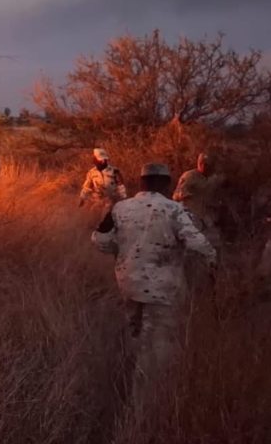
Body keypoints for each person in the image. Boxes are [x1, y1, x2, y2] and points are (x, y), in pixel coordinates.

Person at [92, 163, 216, 419]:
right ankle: (142, 415)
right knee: (158, 352)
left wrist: (124, 249)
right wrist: (210, 264)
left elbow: (100, 241)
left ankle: (121, 392)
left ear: (142, 182)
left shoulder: (119, 208)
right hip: (163, 293)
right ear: (165, 184)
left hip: (128, 286)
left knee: (135, 339)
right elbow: (200, 246)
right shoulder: (174, 209)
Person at [173, 152, 225, 249]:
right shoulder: (189, 176)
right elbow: (177, 195)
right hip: (192, 215)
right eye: (204, 164)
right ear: (199, 164)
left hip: (207, 216)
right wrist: (186, 195)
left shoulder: (214, 178)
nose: (207, 167)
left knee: (215, 243)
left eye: (210, 165)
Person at [79, 148, 127, 212]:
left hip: (112, 202)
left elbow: (121, 187)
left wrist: (123, 200)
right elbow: (87, 188)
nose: (94, 161)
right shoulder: (91, 172)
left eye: (96, 159)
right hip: (97, 203)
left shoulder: (115, 171)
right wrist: (82, 198)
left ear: (103, 161)